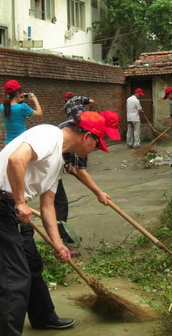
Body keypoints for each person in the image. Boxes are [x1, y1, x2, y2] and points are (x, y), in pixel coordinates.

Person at [0, 111, 109, 335]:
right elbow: (16, 159)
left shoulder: (58, 161)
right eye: (98, 143)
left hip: (14, 207)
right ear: (87, 137)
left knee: (32, 264)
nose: (96, 149)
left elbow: (48, 207)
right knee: (13, 277)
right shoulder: (49, 134)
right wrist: (20, 201)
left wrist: (58, 244)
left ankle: (43, 317)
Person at [55, 110, 121, 257]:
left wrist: (67, 163)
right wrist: (99, 193)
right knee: (59, 205)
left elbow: (74, 165)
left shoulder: (79, 127)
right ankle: (59, 242)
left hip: (53, 167)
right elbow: (80, 170)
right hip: (46, 170)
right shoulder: (82, 136)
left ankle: (62, 237)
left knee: (57, 204)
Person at [0, 79, 42, 144]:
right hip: (20, 143)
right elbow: (39, 114)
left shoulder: (1, 107)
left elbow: (12, 108)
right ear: (17, 93)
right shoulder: (22, 107)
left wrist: (18, 101)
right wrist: (35, 99)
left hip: (8, 143)